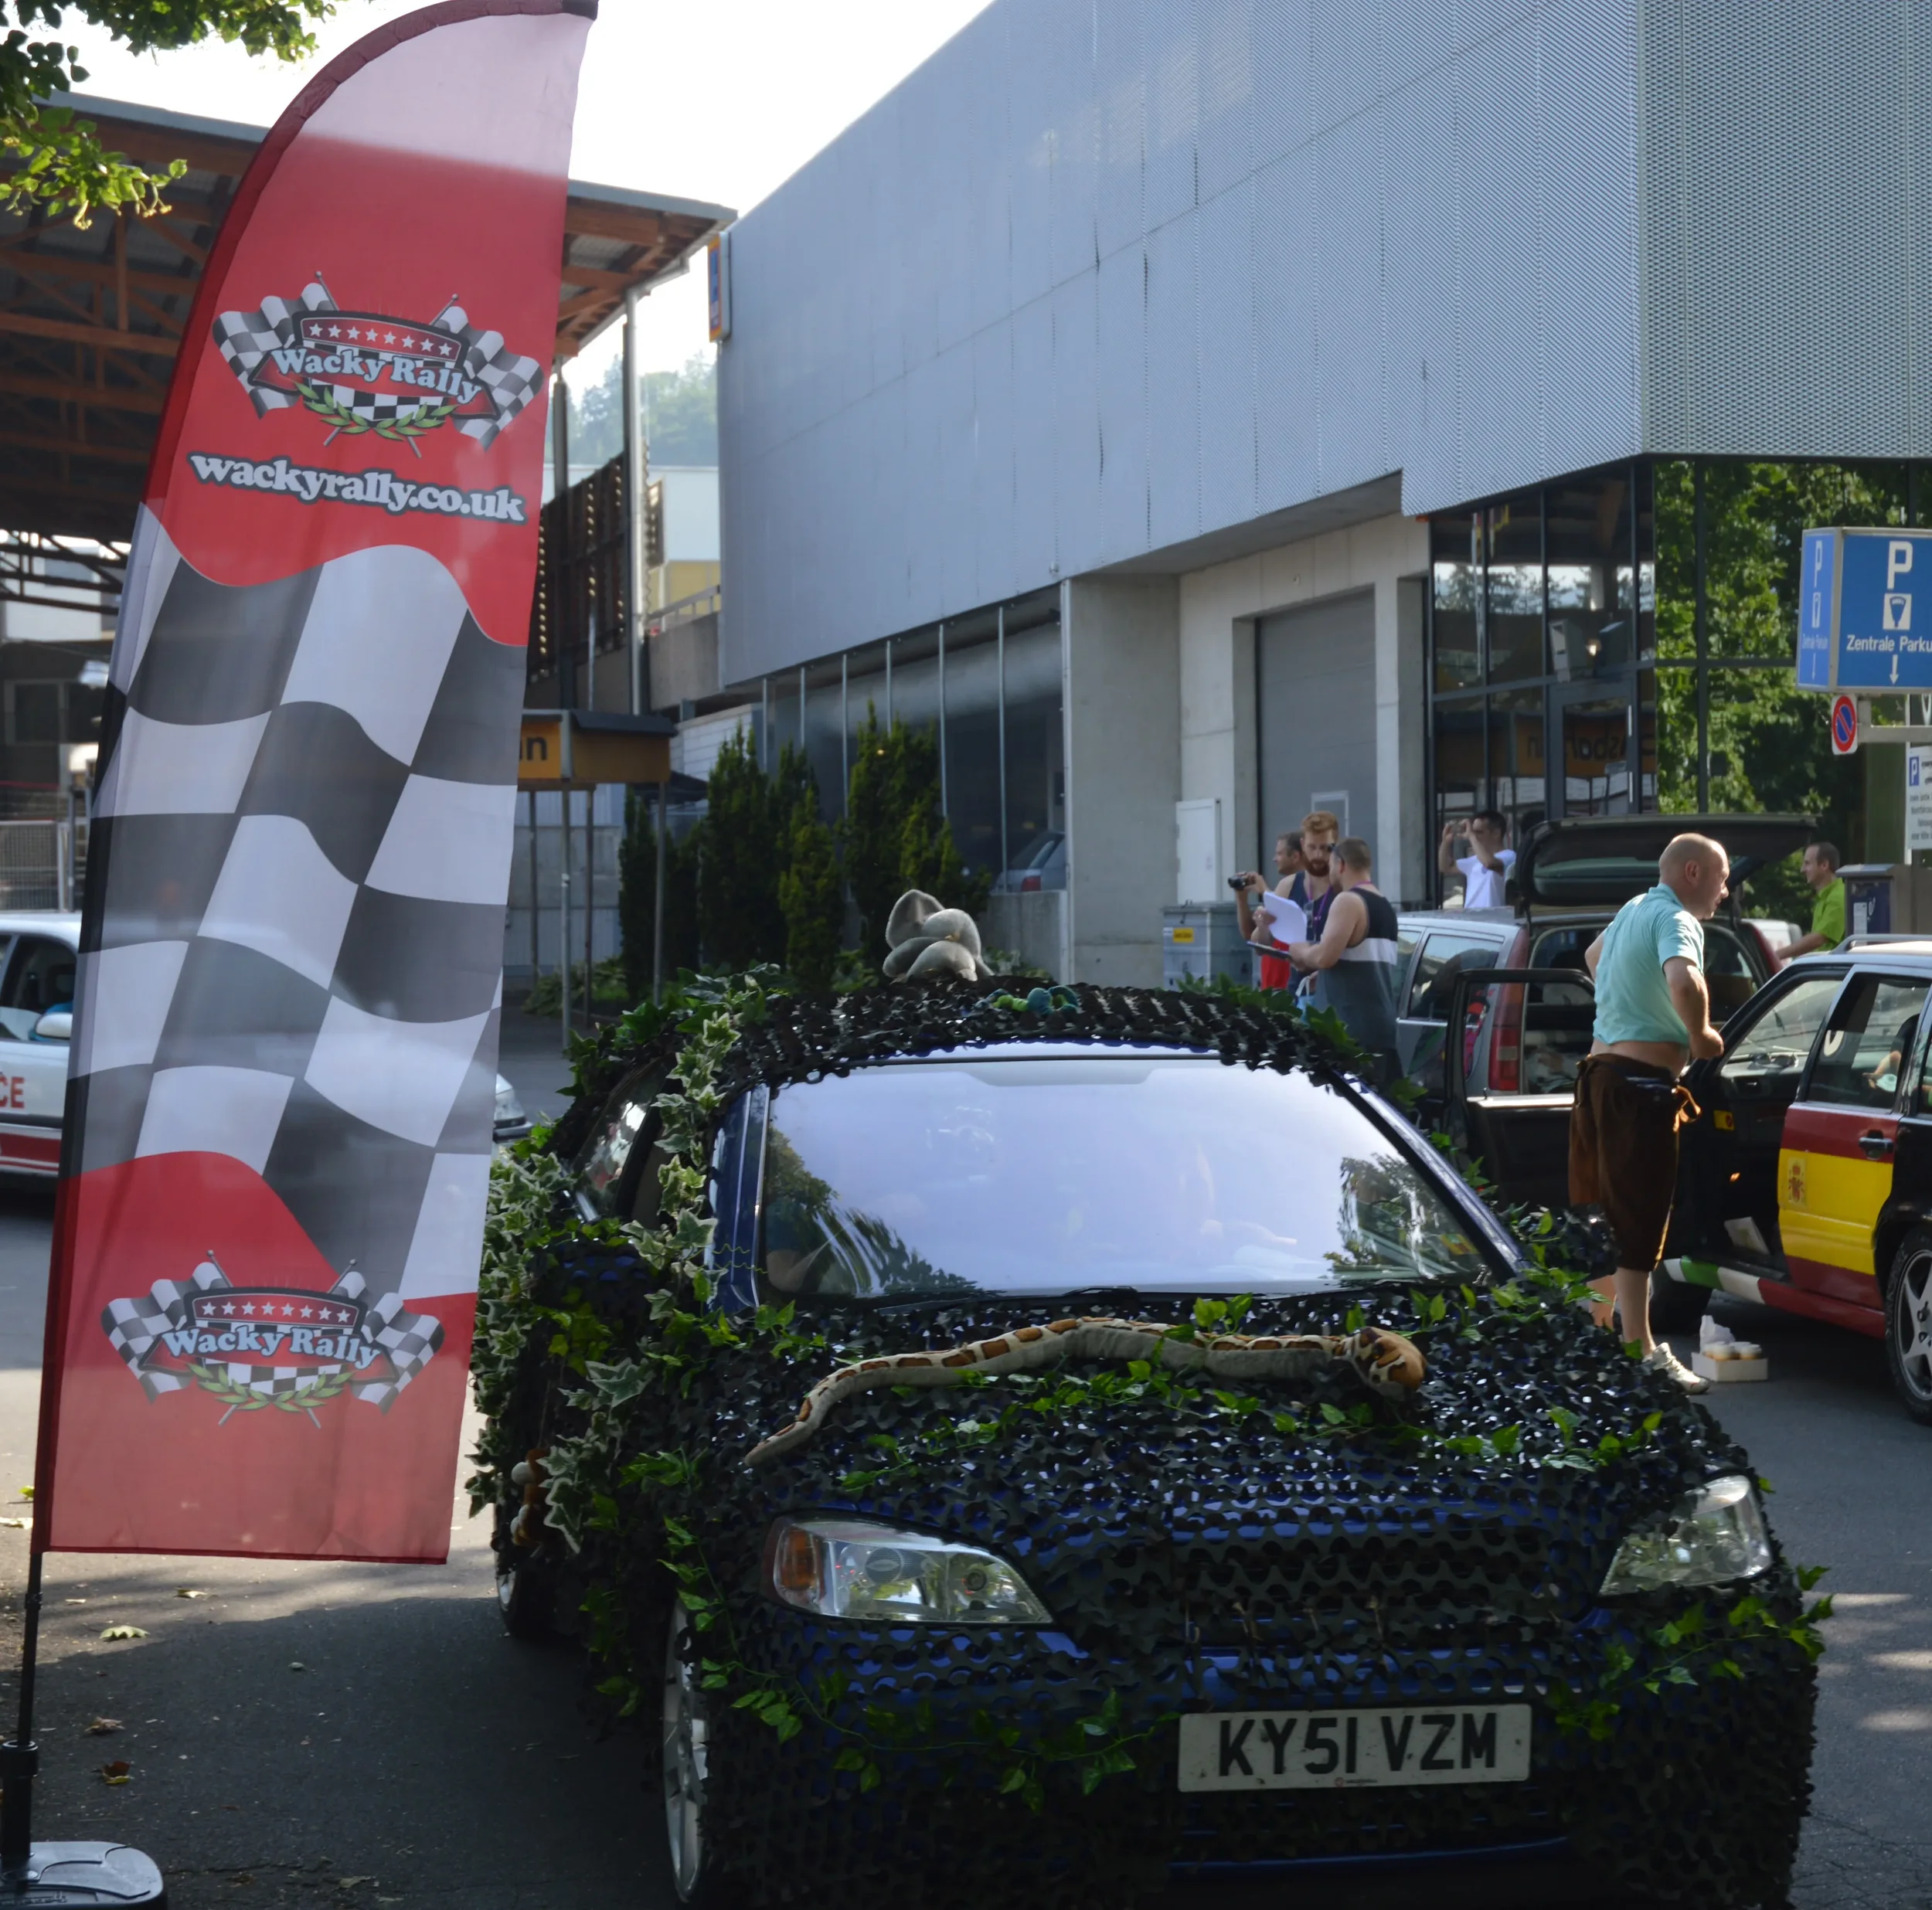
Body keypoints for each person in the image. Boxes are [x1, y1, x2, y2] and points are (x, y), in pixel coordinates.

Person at [1571, 832, 1731, 1392]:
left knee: (1604, 1216)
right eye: (1721, 877)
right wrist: (1702, 1035)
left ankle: (1595, 1338)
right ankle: (1640, 1349)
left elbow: (1594, 957)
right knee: (1639, 1220)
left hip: (1597, 1081)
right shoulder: (1677, 919)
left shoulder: (1633, 909)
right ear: (1692, 872)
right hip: (1640, 1091)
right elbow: (1685, 980)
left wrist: (1631, 1005)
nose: (1725, 891)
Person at [1286, 836, 1401, 1083]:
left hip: (1348, 1034)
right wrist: (1326, 975)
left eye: (1330, 866)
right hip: (1380, 1029)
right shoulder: (1384, 906)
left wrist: (1301, 951)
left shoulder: (1348, 901)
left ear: (1340, 865)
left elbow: (1325, 956)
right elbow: (1364, 961)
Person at [1234, 832, 1309, 991]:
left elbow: (1288, 918)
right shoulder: (1282, 890)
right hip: (1271, 985)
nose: (1274, 859)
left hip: (1292, 986)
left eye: (1279, 854)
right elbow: (1251, 936)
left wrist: (1266, 892)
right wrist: (1241, 899)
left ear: (1295, 856)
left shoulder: (1306, 891)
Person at [1779, 841, 1847, 961]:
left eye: (1807, 864)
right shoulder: (1826, 897)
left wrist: (1777, 955)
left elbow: (1819, 939)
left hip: (1832, 974)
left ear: (1824, 865)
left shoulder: (1839, 897)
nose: (1802, 870)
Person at [1438, 810, 1516, 910]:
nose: (1475, 837)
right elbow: (1445, 867)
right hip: (1472, 919)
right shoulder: (1475, 860)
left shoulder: (1509, 856)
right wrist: (1446, 842)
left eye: (1479, 832)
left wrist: (1471, 835)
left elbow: (1490, 864)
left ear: (1496, 833)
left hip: (1493, 919)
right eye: (1474, 832)